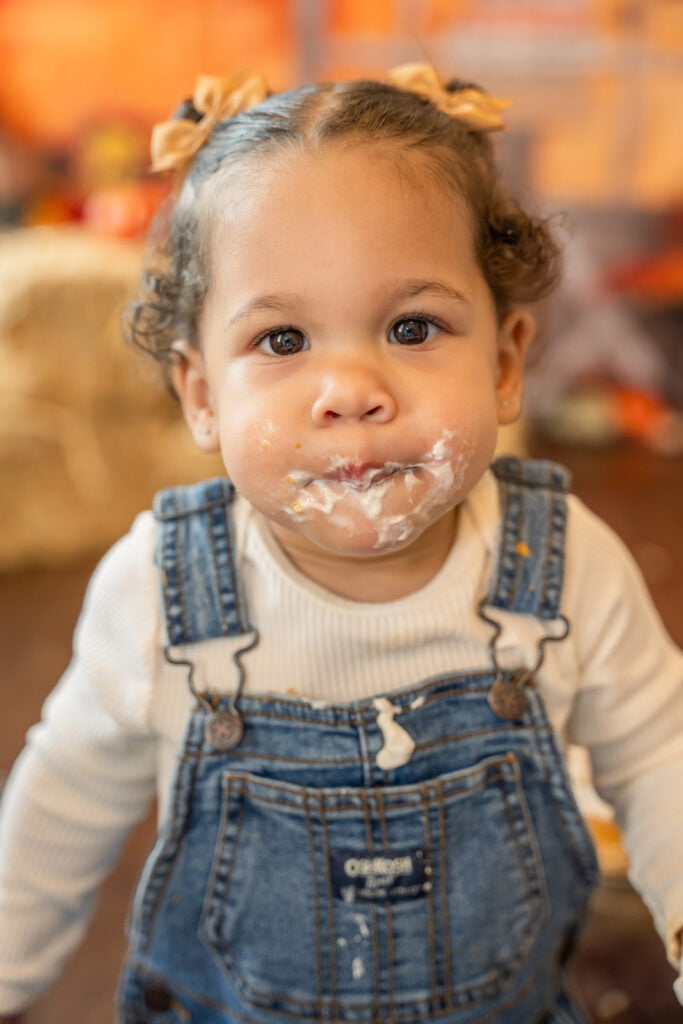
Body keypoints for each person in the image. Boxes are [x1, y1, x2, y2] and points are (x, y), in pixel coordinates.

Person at [0, 65, 681, 1024]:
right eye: (282, 341)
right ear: (201, 395)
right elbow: (60, 806)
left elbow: (662, 756)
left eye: (412, 327)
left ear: (502, 363)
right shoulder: (163, 592)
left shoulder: (557, 567)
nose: (350, 388)